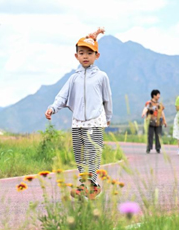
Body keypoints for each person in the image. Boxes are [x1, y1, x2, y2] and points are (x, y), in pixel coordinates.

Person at [45, 27, 112, 200]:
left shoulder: (101, 76)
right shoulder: (73, 78)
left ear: (97, 55)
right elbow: (63, 95)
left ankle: (90, 184)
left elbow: (107, 98)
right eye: (81, 52)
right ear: (76, 56)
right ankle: (88, 185)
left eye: (89, 53)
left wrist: (108, 117)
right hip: (78, 122)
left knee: (92, 151)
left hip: (95, 120)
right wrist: (53, 107)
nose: (85, 56)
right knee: (79, 153)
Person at [141, 89, 167, 154]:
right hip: (150, 121)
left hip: (158, 122)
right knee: (150, 135)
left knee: (159, 135)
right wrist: (143, 113)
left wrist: (164, 121)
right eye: (158, 95)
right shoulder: (149, 103)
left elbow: (162, 112)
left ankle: (158, 148)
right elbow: (146, 108)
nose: (159, 96)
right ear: (154, 95)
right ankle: (149, 148)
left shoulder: (160, 104)